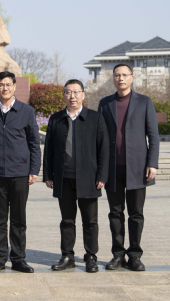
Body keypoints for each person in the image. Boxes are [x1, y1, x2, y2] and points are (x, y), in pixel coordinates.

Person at [98, 63, 159, 272]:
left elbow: (153, 136)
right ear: (113, 78)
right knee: (115, 213)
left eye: (124, 75)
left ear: (132, 77)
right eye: (117, 75)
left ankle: (135, 255)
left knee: (136, 213)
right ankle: (117, 254)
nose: (121, 78)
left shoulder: (145, 102)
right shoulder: (105, 103)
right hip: (113, 168)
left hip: (138, 168)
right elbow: (100, 137)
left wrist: (152, 163)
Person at [43, 79, 109, 273]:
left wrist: (102, 175)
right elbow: (49, 150)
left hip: (89, 178)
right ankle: (67, 256)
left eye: (76, 92)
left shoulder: (95, 118)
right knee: (67, 220)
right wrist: (48, 174)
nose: (72, 96)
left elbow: (104, 149)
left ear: (83, 95)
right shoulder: (56, 119)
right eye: (68, 92)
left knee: (90, 221)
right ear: (64, 95)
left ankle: (91, 256)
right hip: (64, 178)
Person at [0, 71, 41, 273]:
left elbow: (34, 143)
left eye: (8, 84)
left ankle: (18, 259)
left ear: (14, 86)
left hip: (20, 173)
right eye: (1, 84)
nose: (4, 88)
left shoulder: (26, 111)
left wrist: (34, 169)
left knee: (18, 219)